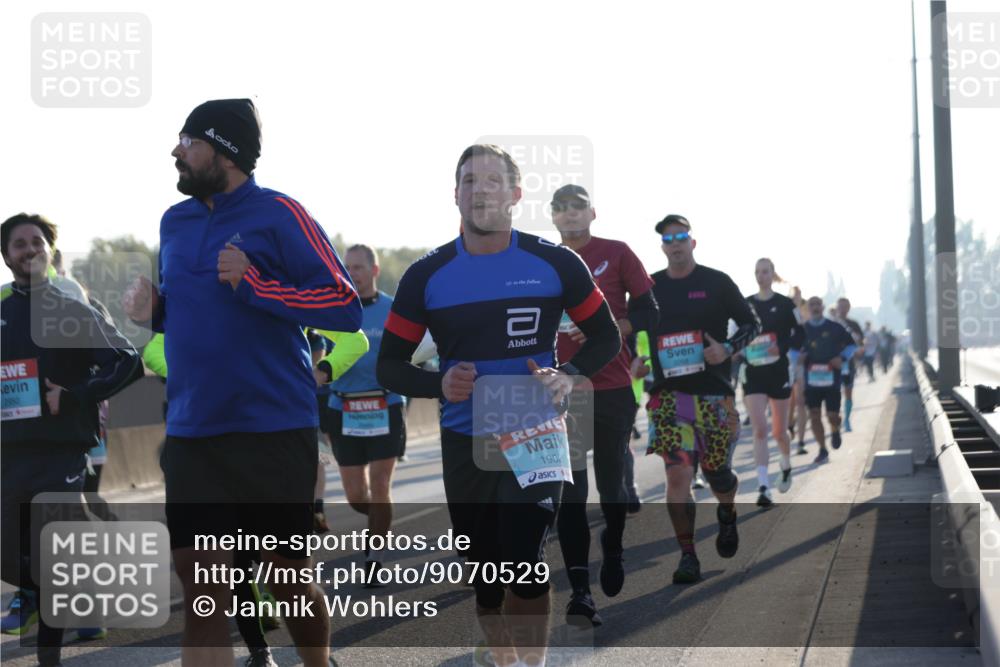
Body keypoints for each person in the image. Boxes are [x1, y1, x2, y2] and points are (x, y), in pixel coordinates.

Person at [123, 99, 362, 667]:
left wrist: (257, 285)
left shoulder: (280, 213)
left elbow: (344, 305)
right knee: (203, 599)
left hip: (272, 430)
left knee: (285, 580)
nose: (176, 152)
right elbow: (193, 308)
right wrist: (156, 311)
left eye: (188, 141)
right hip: (192, 432)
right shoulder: (173, 221)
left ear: (223, 151)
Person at [377, 144, 620, 667]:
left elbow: (606, 337)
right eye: (468, 181)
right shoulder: (426, 275)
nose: (479, 189)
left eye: (491, 180)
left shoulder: (556, 263)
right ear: (455, 196)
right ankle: (503, 654)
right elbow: (389, 367)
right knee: (484, 571)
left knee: (524, 559)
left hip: (536, 430)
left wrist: (569, 375)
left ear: (515, 194)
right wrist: (440, 383)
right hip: (465, 438)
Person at [1, 213, 144, 666]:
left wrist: (77, 395)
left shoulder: (70, 309)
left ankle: (49, 658)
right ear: (6, 256)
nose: (29, 249)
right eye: (19, 244)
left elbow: (126, 361)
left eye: (37, 241)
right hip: (6, 454)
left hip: (59, 452)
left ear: (49, 250)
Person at [548, 184, 658, 626]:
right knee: (570, 491)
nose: (571, 215)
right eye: (562, 209)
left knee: (612, 486)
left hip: (612, 384)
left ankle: (613, 544)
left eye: (578, 208)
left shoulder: (617, 252)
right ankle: (580, 590)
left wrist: (614, 325)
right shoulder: (544, 262)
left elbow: (650, 313)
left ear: (592, 213)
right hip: (562, 389)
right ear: (553, 218)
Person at [645, 214, 760, 585]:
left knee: (717, 475)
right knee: (677, 473)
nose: (675, 243)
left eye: (681, 236)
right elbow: (635, 331)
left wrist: (726, 349)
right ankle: (687, 555)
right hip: (668, 396)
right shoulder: (649, 287)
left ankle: (726, 513)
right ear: (662, 246)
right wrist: (635, 356)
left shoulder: (717, 282)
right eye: (668, 239)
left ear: (692, 242)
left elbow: (752, 324)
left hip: (713, 395)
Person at [324, 244, 405, 584]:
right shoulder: (333, 310)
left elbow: (410, 352)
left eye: (358, 267)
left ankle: (374, 557)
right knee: (356, 495)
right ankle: (380, 520)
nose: (352, 272)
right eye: (347, 266)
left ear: (373, 271)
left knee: (382, 483)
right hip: (343, 407)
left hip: (385, 405)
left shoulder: (392, 309)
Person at [739, 259, 804, 508]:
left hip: (778, 371)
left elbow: (800, 332)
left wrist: (783, 347)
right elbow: (738, 332)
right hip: (754, 372)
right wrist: (739, 349)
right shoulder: (746, 304)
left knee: (779, 432)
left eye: (765, 271)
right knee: (759, 430)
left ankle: (785, 464)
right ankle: (764, 486)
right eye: (756, 271)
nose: (760, 275)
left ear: (772, 274)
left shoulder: (785, 304)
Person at [802, 297, 857, 463]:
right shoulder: (802, 329)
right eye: (812, 305)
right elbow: (791, 349)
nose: (815, 307)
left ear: (823, 307)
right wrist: (798, 357)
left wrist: (842, 358)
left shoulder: (835, 327)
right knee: (814, 415)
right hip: (811, 381)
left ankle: (835, 429)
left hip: (832, 379)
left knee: (832, 415)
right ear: (808, 308)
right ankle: (822, 449)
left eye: (818, 304)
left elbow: (852, 345)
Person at [834, 298, 864, 432]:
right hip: (833, 364)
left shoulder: (854, 324)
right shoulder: (831, 323)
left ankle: (847, 420)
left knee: (848, 392)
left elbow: (860, 345)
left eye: (845, 306)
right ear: (837, 307)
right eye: (840, 306)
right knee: (834, 393)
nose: (843, 309)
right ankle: (836, 418)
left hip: (848, 363)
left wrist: (858, 351)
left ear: (849, 308)